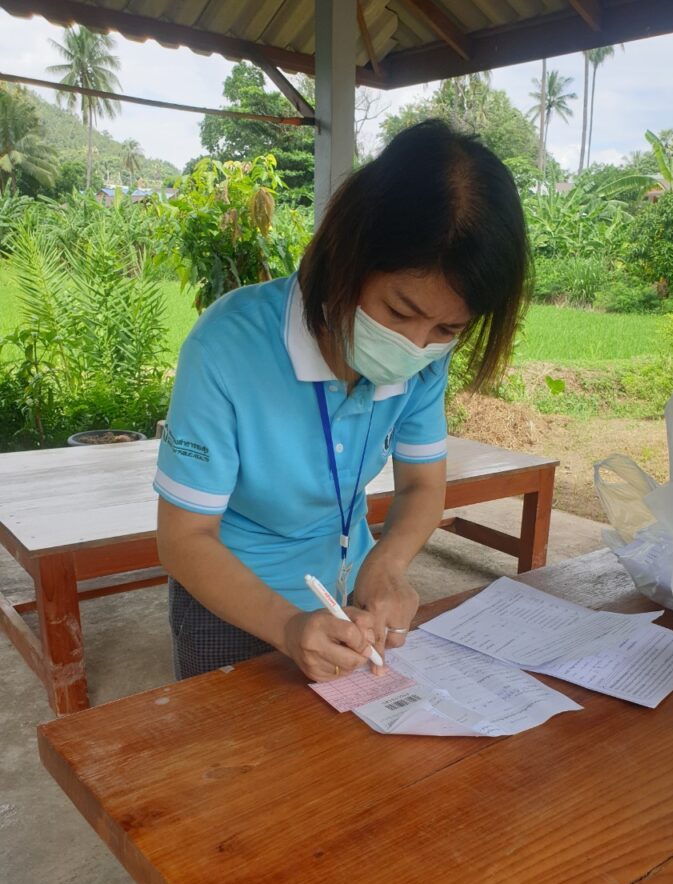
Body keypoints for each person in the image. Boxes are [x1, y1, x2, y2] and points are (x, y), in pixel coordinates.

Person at [154, 119, 530, 683]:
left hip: (347, 601)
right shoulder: (228, 348)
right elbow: (184, 539)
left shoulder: (426, 360)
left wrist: (386, 563)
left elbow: (422, 486)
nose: (416, 345)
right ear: (346, 257)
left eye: (447, 328)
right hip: (232, 601)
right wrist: (286, 627)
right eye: (399, 312)